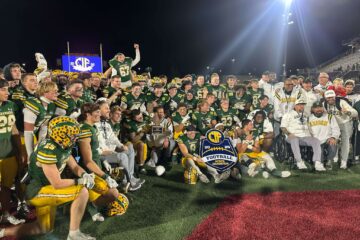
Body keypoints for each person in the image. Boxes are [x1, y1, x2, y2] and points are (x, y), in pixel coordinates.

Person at [1, 116, 96, 239]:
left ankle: (3, 232)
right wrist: (80, 181)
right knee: (81, 192)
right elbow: (57, 183)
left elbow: (74, 165)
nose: (75, 138)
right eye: (72, 135)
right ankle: (74, 234)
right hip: (37, 191)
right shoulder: (48, 150)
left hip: (46, 188)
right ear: (61, 135)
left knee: (43, 228)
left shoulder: (61, 145)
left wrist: (84, 174)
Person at [77, 103, 128, 219]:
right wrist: (105, 176)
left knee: (112, 191)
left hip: (96, 164)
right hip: (88, 170)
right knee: (113, 193)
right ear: (87, 114)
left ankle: (90, 205)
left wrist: (103, 161)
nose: (100, 114)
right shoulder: (85, 130)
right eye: (97, 112)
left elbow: (94, 151)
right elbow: (87, 161)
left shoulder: (91, 127)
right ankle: (88, 206)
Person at [95, 100, 144, 191]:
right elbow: (97, 145)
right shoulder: (94, 125)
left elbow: (113, 138)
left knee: (129, 148)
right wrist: (105, 151)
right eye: (106, 108)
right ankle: (126, 182)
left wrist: (121, 145)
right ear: (98, 110)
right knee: (122, 155)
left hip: (110, 152)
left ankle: (130, 177)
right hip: (101, 154)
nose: (108, 111)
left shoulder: (106, 124)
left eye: (109, 109)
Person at [0, 79, 26, 226]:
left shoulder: (10, 106)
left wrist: (20, 151)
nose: (7, 93)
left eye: (7, 89)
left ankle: (5, 214)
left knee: (6, 187)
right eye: (3, 90)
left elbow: (14, 129)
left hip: (9, 154)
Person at [280, 99, 326, 171]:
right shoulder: (288, 114)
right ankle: (299, 161)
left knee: (316, 141)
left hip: (304, 136)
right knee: (294, 139)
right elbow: (283, 127)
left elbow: (308, 126)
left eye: (302, 105)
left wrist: (312, 135)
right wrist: (289, 134)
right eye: (299, 105)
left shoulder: (305, 115)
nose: (301, 106)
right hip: (292, 136)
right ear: (295, 106)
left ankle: (317, 162)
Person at [322, 90, 358, 169]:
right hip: (333, 124)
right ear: (325, 98)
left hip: (344, 123)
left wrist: (347, 112)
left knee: (345, 142)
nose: (330, 99)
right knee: (334, 140)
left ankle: (344, 161)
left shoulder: (342, 102)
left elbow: (355, 113)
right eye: (328, 98)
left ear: (335, 96)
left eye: (331, 97)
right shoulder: (324, 104)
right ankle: (335, 157)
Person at [23, 81, 58, 158]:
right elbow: (28, 132)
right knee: (25, 160)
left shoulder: (50, 105)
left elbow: (44, 126)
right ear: (45, 93)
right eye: (54, 91)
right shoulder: (34, 104)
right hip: (22, 136)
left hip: (33, 134)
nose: (57, 93)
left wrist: (40, 144)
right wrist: (30, 155)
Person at [308, 102, 340, 170]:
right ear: (312, 109)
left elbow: (336, 129)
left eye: (320, 107)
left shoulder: (329, 116)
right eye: (316, 108)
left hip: (327, 140)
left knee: (333, 144)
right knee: (319, 161)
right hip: (315, 141)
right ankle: (320, 162)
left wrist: (333, 137)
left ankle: (329, 161)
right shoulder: (308, 118)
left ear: (323, 108)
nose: (318, 109)